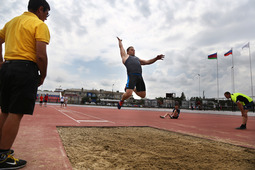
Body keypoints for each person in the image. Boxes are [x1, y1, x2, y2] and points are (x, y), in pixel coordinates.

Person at [0, 0, 50, 169]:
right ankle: (2, 155)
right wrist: (42, 75)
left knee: (5, 110)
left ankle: (1, 150)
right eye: (46, 14)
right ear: (40, 9)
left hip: (7, 68)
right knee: (16, 113)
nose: (46, 18)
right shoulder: (38, 24)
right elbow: (41, 55)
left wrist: (0, 62)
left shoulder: (12, 22)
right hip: (25, 69)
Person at [116, 37, 164, 109]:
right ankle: (122, 100)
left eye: (134, 50)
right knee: (129, 93)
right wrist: (120, 41)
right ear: (128, 51)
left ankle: (134, 89)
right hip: (132, 76)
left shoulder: (138, 59)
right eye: (132, 50)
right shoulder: (125, 56)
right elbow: (121, 47)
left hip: (139, 77)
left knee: (143, 95)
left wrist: (156, 58)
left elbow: (148, 62)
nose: (134, 51)